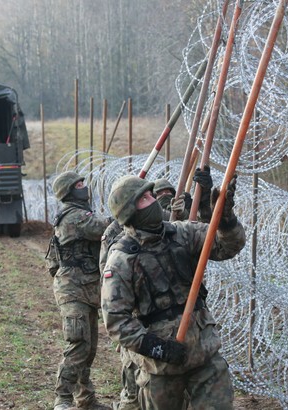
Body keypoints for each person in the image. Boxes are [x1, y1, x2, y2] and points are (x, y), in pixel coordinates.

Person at [101, 174, 245, 409]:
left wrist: (226, 219)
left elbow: (227, 246)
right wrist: (158, 348)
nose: (154, 200)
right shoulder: (121, 260)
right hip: (160, 369)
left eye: (151, 195)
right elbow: (117, 322)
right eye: (145, 198)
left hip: (204, 355)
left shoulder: (182, 233)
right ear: (130, 212)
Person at [46, 171, 112, 410]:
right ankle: (62, 398)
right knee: (78, 344)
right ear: (70, 191)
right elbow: (104, 228)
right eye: (79, 185)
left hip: (87, 287)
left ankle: (85, 399)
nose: (85, 187)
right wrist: (126, 210)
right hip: (73, 289)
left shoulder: (77, 214)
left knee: (89, 348)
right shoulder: (75, 216)